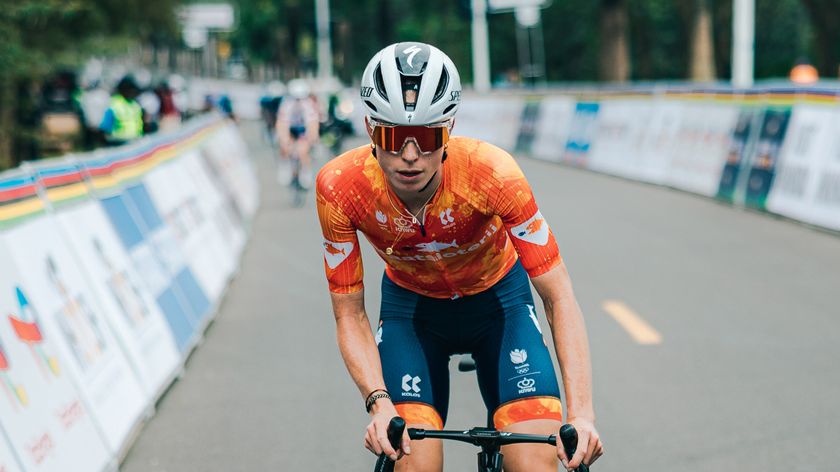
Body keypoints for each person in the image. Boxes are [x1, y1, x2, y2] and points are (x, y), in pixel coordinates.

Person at [315, 42, 603, 472]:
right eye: (393, 137)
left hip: (499, 305)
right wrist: (378, 404)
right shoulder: (340, 187)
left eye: (427, 137)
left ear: (448, 128)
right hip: (412, 315)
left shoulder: (492, 173)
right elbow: (349, 314)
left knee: (536, 463)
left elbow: (558, 295)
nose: (409, 155)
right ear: (370, 127)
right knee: (415, 462)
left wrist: (581, 415)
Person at [276, 78, 319, 188]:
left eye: (301, 98)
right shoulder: (286, 104)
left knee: (302, 150)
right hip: (290, 128)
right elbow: (281, 124)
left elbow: (313, 124)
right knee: (284, 146)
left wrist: (311, 139)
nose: (298, 101)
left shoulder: (309, 104)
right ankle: (285, 165)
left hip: (302, 129)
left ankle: (306, 170)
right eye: (295, 98)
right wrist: (284, 140)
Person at [98, 75, 144, 146]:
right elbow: (105, 128)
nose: (133, 92)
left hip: (135, 141)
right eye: (130, 89)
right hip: (118, 143)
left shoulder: (135, 104)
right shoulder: (114, 103)